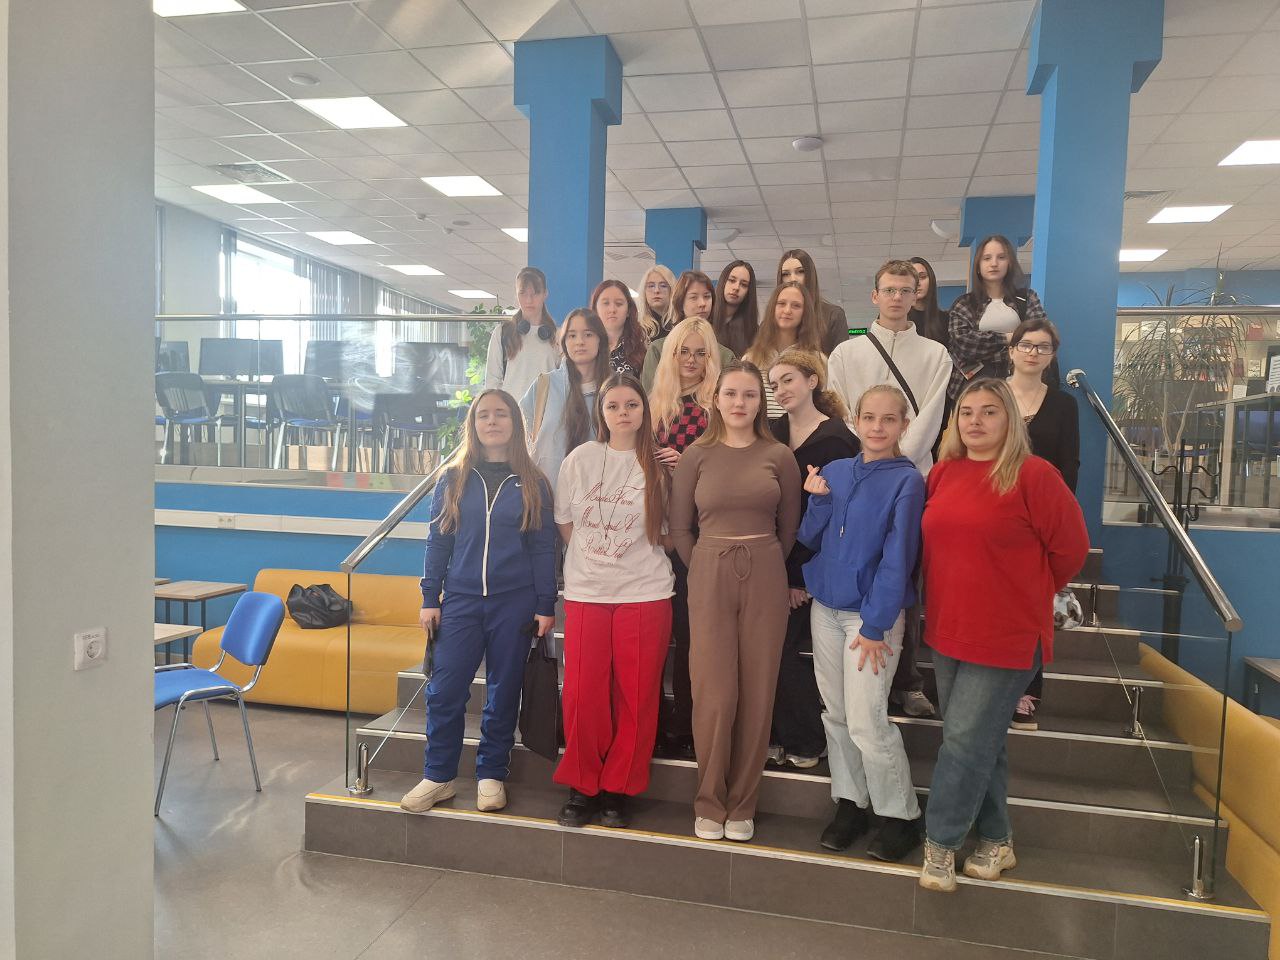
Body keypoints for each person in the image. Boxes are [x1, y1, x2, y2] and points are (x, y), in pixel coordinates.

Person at [918, 379, 1088, 893]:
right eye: (967, 411)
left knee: (963, 741)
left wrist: (1026, 591)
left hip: (1008, 635)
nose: (975, 420)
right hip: (948, 629)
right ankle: (997, 838)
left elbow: (1071, 550)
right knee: (976, 740)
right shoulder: (943, 473)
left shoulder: (1035, 475)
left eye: (989, 411)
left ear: (1010, 419)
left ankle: (940, 844)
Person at [401, 389, 557, 816]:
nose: (492, 422)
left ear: (515, 423)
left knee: (503, 692)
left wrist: (545, 604)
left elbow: (543, 547)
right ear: (473, 424)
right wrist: (430, 596)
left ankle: (491, 774)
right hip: (461, 601)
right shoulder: (453, 478)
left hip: (515, 603)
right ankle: (439, 775)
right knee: (444, 690)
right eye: (483, 415)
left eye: (501, 414)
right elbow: (439, 540)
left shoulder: (534, 482)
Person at [670, 360, 802, 843]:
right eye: (731, 393)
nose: (739, 403)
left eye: (749, 394)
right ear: (716, 399)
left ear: (760, 402)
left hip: (765, 569)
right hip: (709, 571)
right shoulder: (696, 456)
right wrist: (706, 565)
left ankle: (743, 803)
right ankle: (709, 800)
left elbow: (789, 527)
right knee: (714, 692)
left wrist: (765, 562)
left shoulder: (779, 456)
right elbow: (680, 527)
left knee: (758, 689)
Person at [799, 384, 925, 862]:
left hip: (869, 620)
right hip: (826, 610)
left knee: (867, 721)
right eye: (869, 417)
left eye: (888, 419)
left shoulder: (907, 481)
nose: (877, 427)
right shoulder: (835, 470)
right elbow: (809, 537)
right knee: (835, 714)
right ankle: (851, 802)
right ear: (855, 419)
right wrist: (818, 500)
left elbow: (899, 558)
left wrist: (875, 625)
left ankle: (901, 815)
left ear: (903, 425)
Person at [827, 259, 953, 719]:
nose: (897, 298)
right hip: (860, 476)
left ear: (917, 295)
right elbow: (843, 410)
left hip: (911, 476)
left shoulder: (936, 354)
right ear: (875, 296)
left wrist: (896, 461)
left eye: (905, 290)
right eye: (889, 290)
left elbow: (931, 416)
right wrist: (871, 451)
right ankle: (860, 664)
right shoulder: (846, 354)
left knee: (904, 575)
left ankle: (908, 679)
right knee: (864, 565)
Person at [553, 373, 675, 829]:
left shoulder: (660, 464)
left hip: (645, 592)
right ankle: (583, 785)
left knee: (637, 695)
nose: (623, 413)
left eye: (632, 405)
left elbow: (670, 534)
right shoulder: (580, 459)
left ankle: (618, 788)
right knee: (582, 693)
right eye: (613, 406)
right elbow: (565, 523)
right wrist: (595, 556)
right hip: (588, 592)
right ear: (601, 413)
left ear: (645, 410)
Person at [766, 350, 858, 770]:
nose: (780, 390)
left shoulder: (837, 439)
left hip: (811, 565)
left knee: (782, 649)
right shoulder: (772, 432)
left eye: (788, 380)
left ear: (812, 380)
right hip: (771, 558)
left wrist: (798, 577)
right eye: (774, 384)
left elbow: (834, 515)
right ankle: (776, 734)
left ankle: (806, 738)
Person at [649, 317, 723, 759]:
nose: (692, 361)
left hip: (698, 534)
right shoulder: (653, 406)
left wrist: (689, 465)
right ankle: (656, 720)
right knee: (657, 635)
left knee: (693, 635)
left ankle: (689, 721)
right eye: (684, 352)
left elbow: (730, 476)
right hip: (652, 534)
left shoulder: (718, 410)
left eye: (700, 353)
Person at [1005, 317, 1079, 731]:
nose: (1033, 352)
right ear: (1011, 350)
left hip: (1040, 522)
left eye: (1042, 346)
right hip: (994, 517)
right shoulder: (992, 395)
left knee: (1032, 611)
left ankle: (1026, 691)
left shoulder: (1064, 405)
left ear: (1052, 355)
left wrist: (1059, 520)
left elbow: (1070, 464)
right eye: (1026, 344)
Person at [947, 236, 1055, 399]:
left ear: (1010, 263)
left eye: (1001, 257)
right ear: (978, 265)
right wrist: (1008, 338)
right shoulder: (964, 303)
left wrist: (987, 348)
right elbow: (965, 344)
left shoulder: (1027, 298)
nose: (994, 263)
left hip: (1021, 384)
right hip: (974, 387)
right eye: (987, 258)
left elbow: (1039, 336)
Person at [520, 309, 610, 490]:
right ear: (564, 342)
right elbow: (525, 437)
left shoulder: (615, 388)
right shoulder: (544, 385)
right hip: (547, 493)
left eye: (588, 334)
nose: (580, 342)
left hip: (600, 495)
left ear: (600, 339)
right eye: (572, 335)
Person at [745, 281, 825, 420]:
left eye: (796, 306)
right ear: (772, 308)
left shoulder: (818, 361)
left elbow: (824, 406)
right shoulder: (751, 359)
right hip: (761, 430)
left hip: (802, 431)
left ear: (805, 313)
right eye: (781, 303)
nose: (787, 310)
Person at [641, 270, 732, 390]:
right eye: (694, 297)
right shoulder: (658, 350)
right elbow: (649, 397)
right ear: (680, 302)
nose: (702, 303)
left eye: (707, 296)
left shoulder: (725, 355)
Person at [483, 266, 559, 403]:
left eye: (535, 293)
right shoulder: (502, 333)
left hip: (547, 411)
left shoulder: (557, 335)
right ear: (516, 294)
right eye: (523, 293)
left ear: (545, 294)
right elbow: (492, 382)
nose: (529, 300)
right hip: (512, 412)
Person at [778, 249, 849, 354]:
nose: (793, 279)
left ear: (810, 275)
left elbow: (841, 360)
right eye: (786, 274)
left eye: (800, 272)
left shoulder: (833, 315)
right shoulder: (772, 320)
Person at [592, 279, 647, 376]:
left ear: (628, 310)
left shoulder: (642, 348)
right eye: (606, 303)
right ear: (595, 309)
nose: (612, 310)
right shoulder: (586, 346)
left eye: (619, 304)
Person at [709, 260, 760, 358]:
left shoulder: (753, 331)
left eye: (744, 284)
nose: (736, 287)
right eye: (732, 280)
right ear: (723, 282)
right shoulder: (704, 319)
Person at [908, 257, 948, 347]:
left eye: (922, 277)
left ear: (931, 280)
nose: (917, 283)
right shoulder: (895, 317)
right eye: (911, 278)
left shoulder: (946, 319)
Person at [638, 264, 677, 341]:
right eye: (651, 286)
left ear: (672, 290)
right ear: (644, 292)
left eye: (663, 286)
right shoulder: (637, 329)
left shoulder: (681, 325)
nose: (656, 290)